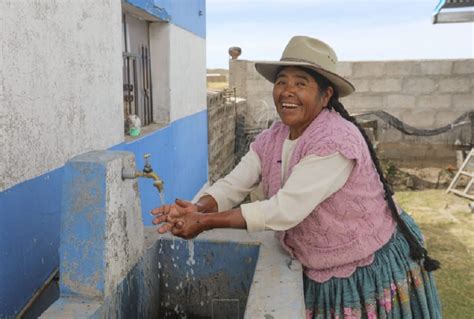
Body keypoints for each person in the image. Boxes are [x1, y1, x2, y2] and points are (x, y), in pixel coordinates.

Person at [151, 36, 442, 318]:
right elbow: (234, 183)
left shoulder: (336, 141)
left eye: (301, 83)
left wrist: (204, 223)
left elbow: (284, 210)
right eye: (282, 82)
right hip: (317, 264)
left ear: (326, 95)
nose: (287, 91)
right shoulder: (273, 137)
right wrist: (197, 208)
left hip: (364, 266)